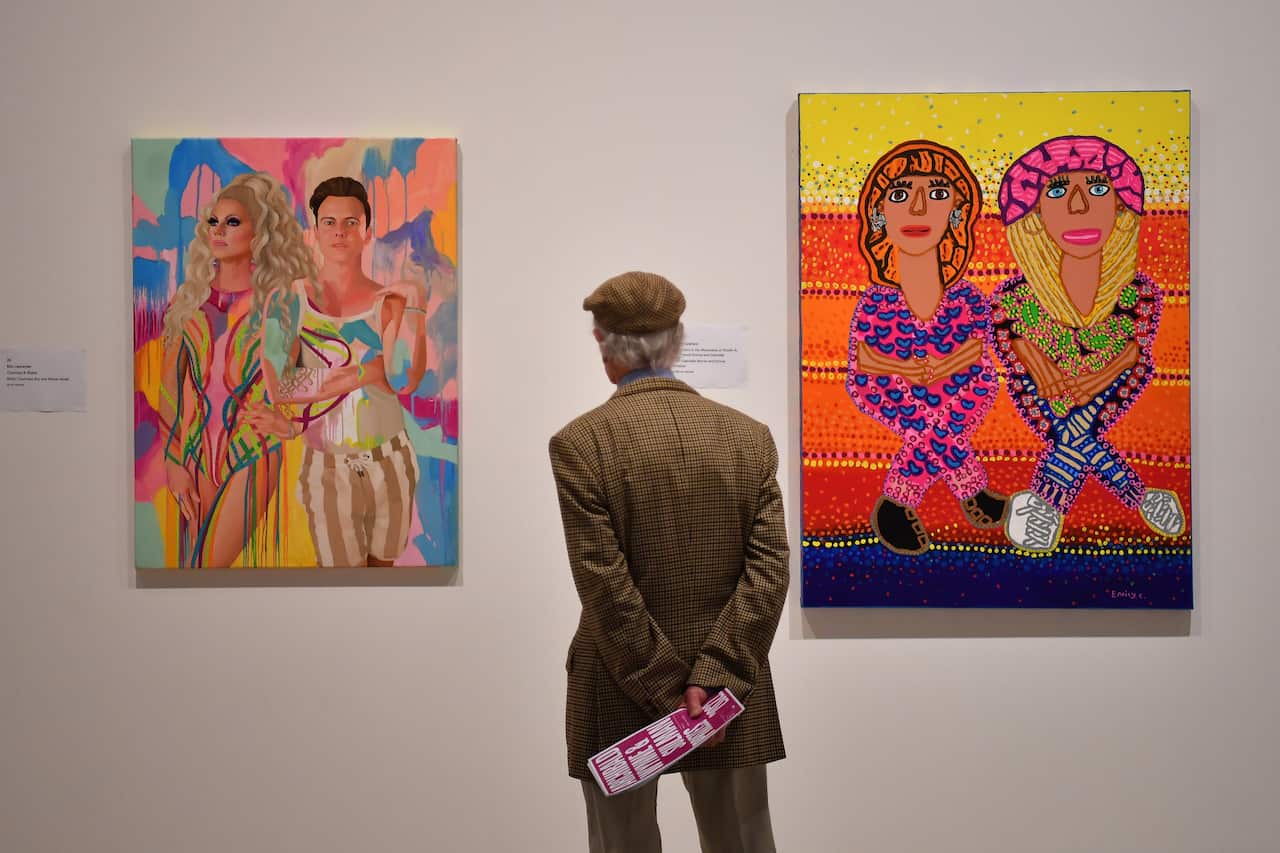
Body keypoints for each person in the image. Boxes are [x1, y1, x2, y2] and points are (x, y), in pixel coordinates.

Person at [549, 271, 789, 853]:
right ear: (677, 341)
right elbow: (769, 571)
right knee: (741, 839)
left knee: (621, 843)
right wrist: (712, 682)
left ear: (605, 346)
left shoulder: (582, 444)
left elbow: (604, 586)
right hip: (729, 691)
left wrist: (668, 693)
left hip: (619, 682)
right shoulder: (748, 438)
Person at [992, 135, 1186, 550]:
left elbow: (1133, 352)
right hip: (1047, 394)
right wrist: (1043, 369)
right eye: (1058, 191)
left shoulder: (1139, 294)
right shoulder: (1016, 297)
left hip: (1099, 392)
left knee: (1073, 430)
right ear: (1035, 213)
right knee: (1077, 430)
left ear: (1119, 205)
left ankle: (1046, 503)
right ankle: (1140, 497)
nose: (1079, 207)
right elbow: (1016, 345)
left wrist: (1095, 380)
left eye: (1098, 188)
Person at [250, 176, 429, 567]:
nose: (340, 232)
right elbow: (280, 386)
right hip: (328, 465)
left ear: (368, 232)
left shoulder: (391, 302)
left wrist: (415, 303)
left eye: (351, 222)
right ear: (314, 231)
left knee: (385, 576)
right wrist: (365, 373)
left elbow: (404, 381)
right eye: (329, 222)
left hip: (392, 459)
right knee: (341, 582)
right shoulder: (288, 300)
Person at [846, 140, 1007, 555]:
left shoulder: (968, 296)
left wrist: (941, 366)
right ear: (879, 213)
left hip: (958, 386)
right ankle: (970, 487)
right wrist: (906, 372)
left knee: (970, 392)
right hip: (888, 387)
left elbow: (976, 349)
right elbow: (865, 358)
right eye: (900, 195)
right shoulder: (876, 301)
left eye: (936, 194)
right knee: (931, 422)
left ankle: (898, 503)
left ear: (956, 211)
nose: (918, 209)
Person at [159, 172, 316, 567]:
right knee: (191, 571)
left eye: (232, 222)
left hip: (253, 450)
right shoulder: (189, 298)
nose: (219, 231)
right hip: (193, 449)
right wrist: (173, 460)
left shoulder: (279, 301)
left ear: (259, 232)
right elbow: (169, 389)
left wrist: (290, 423)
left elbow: (305, 377)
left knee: (209, 565)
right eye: (214, 221)